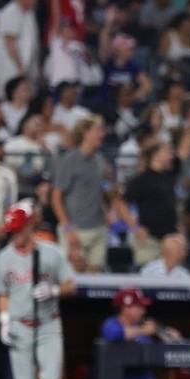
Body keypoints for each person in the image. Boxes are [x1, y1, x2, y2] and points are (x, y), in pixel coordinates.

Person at [0, 201, 75, 379]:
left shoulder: (50, 252)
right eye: (12, 231)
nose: (15, 235)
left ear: (30, 225)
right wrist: (5, 320)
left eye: (19, 230)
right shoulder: (4, 257)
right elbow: (2, 293)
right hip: (20, 326)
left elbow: (70, 285)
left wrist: (53, 291)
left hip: (48, 325)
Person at [52, 115, 134, 272]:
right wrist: (67, 229)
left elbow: (105, 191)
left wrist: (109, 208)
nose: (102, 134)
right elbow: (56, 197)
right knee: (71, 277)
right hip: (75, 229)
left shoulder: (99, 160)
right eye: (98, 130)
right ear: (85, 133)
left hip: (98, 229)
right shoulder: (69, 160)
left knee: (96, 276)